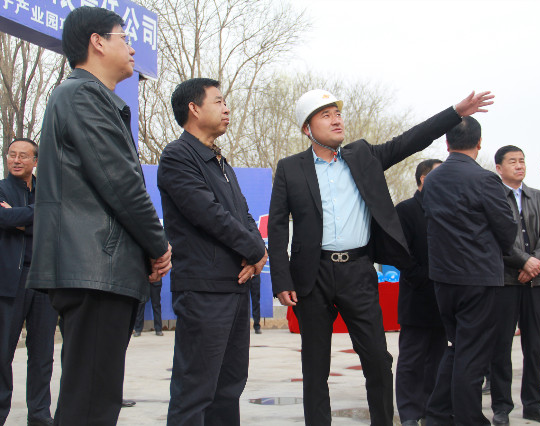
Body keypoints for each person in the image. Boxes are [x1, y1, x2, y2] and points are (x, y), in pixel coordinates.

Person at [269, 88, 494, 426]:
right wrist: (282, 279)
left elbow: (411, 140)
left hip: (358, 271)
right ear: (307, 128)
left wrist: (455, 112)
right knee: (315, 366)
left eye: (337, 113)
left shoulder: (363, 156)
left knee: (377, 359)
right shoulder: (290, 168)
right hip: (312, 276)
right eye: (325, 115)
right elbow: (276, 225)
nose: (336, 120)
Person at [26, 7, 172, 425]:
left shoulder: (88, 98)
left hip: (99, 267)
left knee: (94, 397)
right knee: (90, 404)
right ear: (97, 42)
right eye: (124, 37)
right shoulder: (82, 96)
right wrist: (158, 245)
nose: (132, 48)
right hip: (94, 268)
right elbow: (121, 182)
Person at [158, 78, 267, 425]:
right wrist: (255, 250)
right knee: (195, 391)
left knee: (229, 388)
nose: (226, 108)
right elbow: (209, 214)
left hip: (235, 288)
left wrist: (259, 252)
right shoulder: (178, 156)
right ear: (194, 108)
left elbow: (243, 214)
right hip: (203, 291)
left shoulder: (220, 162)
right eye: (218, 101)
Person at [422, 117, 517, 426]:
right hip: (478, 278)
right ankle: (469, 419)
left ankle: (437, 414)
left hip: (443, 278)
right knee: (473, 355)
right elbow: (507, 229)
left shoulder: (432, 180)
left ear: (447, 142)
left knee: (458, 347)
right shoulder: (485, 179)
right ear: (479, 142)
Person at [490, 145, 540, 425]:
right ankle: (501, 406)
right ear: (499, 168)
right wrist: (522, 262)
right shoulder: (493, 197)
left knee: (535, 345)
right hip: (505, 281)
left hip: (538, 280)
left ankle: (533, 403)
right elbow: (494, 237)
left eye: (522, 161)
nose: (519, 166)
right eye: (512, 161)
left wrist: (533, 265)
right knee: (501, 345)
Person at [0, 139, 57, 426]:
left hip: (45, 278)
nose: (16, 160)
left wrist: (19, 221)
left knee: (42, 354)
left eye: (23, 156)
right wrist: (39, 216)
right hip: (10, 280)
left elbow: (58, 222)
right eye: (12, 155)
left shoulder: (49, 191)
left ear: (35, 161)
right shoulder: (1, 188)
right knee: (3, 353)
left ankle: (39, 414)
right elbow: (3, 218)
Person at [394, 159, 446, 426]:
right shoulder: (405, 210)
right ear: (424, 179)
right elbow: (399, 253)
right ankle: (409, 413)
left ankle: (432, 410)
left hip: (445, 297)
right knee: (412, 359)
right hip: (417, 295)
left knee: (439, 358)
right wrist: (423, 278)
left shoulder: (448, 208)